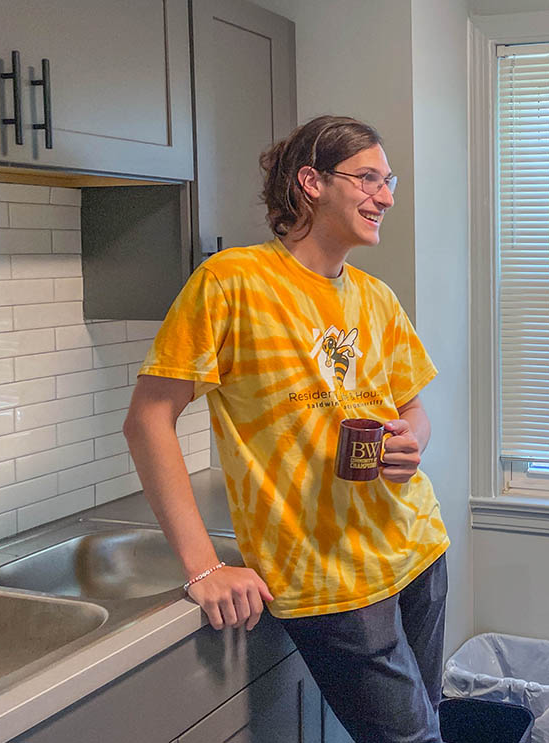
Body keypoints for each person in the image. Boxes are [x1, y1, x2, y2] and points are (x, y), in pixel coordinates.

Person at [123, 115, 450, 743]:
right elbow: (148, 420)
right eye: (368, 179)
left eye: (390, 182)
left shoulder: (376, 298)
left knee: (428, 720)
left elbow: (412, 408)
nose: (386, 197)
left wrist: (414, 442)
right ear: (311, 182)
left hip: (417, 549)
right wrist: (201, 568)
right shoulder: (231, 282)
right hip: (327, 576)